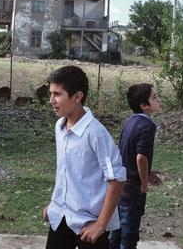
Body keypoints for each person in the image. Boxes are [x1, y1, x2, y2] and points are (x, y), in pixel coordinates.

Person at [43, 65, 126, 249]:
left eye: (57, 94)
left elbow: (117, 178)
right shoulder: (60, 126)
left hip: (88, 224)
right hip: (61, 216)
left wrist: (101, 225)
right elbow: (66, 173)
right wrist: (55, 204)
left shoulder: (95, 133)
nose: (51, 100)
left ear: (78, 96)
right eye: (51, 93)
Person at [109, 84, 162, 249]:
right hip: (133, 188)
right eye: (154, 97)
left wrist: (148, 172)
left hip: (121, 183)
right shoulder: (148, 126)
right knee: (129, 237)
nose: (158, 100)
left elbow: (127, 154)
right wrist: (144, 183)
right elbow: (140, 157)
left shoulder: (129, 122)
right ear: (143, 105)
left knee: (116, 232)